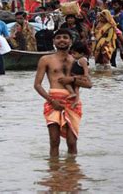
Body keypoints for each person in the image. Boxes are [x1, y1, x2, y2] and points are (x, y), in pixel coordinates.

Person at [34, 29, 93, 157]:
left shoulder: (77, 61)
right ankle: (55, 172)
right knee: (54, 141)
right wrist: (52, 101)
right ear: (54, 41)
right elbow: (37, 85)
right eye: (59, 37)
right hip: (53, 102)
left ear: (71, 41)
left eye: (65, 37)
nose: (62, 40)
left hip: (73, 103)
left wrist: (71, 79)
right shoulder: (46, 59)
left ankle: (72, 171)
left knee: (72, 142)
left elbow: (89, 84)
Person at [67, 42, 90, 108]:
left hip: (79, 76)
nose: (72, 55)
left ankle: (73, 96)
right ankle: (75, 101)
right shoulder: (78, 60)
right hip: (77, 76)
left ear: (81, 53)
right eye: (71, 53)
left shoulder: (82, 60)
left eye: (74, 53)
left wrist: (85, 77)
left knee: (68, 84)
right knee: (76, 88)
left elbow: (86, 70)